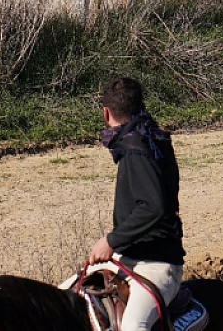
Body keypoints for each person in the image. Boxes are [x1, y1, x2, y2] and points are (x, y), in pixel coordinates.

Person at [89, 77, 184, 331]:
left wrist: (111, 241)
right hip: (128, 257)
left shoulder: (137, 148)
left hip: (157, 264)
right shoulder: (145, 137)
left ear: (106, 113)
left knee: (134, 326)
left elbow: (154, 207)